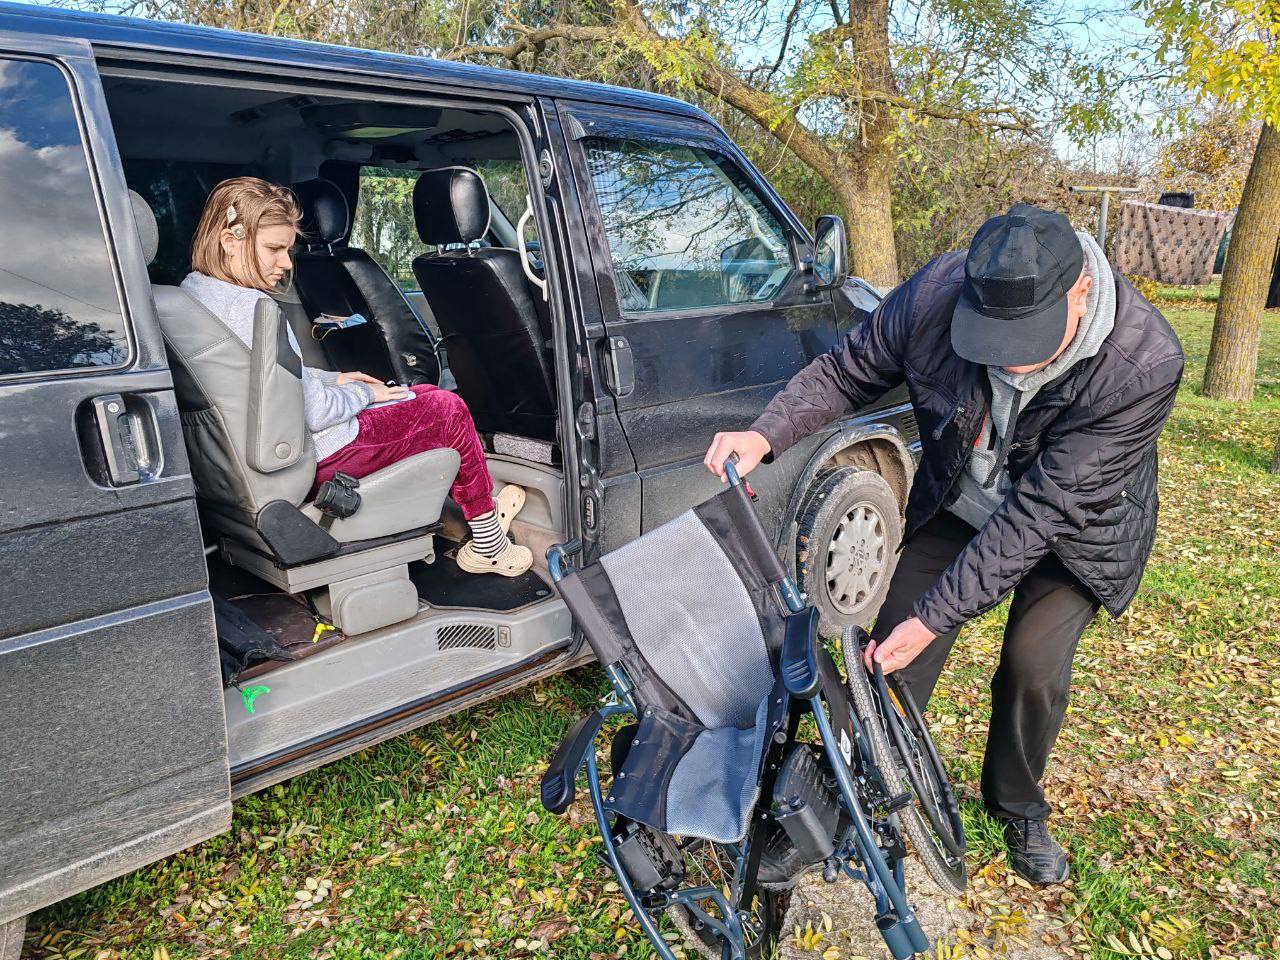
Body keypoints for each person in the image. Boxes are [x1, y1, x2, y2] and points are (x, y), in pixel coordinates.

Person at [705, 203, 1183, 884]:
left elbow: (1040, 513)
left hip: (1073, 528)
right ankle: (852, 796)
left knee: (1032, 668)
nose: (1008, 361)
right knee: (889, 653)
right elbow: (848, 369)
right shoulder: (936, 292)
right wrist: (766, 433)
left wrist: (938, 617)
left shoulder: (1144, 362)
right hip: (967, 494)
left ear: (1079, 291)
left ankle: (1018, 804)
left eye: (1027, 338)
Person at [182, 176, 532, 576]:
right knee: (443, 406)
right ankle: (488, 541)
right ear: (230, 239)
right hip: (318, 453)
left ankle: (471, 503)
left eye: (288, 249)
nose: (286, 263)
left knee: (404, 397)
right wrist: (368, 397)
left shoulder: (196, 292)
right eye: (274, 249)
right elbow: (313, 414)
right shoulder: (254, 308)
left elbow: (265, 377)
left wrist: (336, 381)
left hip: (249, 458)